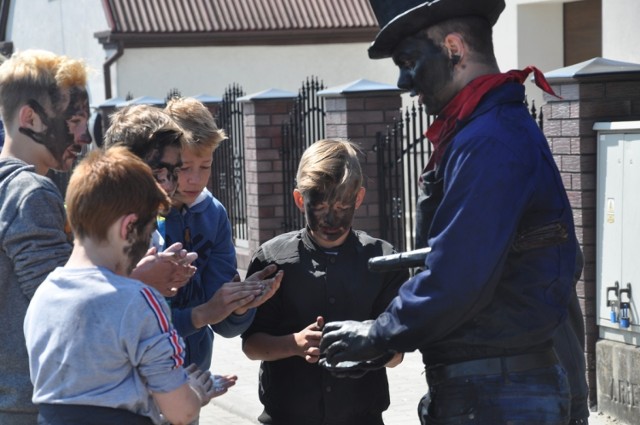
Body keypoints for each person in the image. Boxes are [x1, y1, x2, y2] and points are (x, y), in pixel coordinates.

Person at [320, 1, 580, 424]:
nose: (404, 81)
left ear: (454, 49)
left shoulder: (489, 140)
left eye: (408, 61)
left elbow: (456, 276)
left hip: (498, 396)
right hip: (490, 389)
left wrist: (377, 333)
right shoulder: (482, 132)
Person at [24, 147, 219, 425]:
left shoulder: (43, 295)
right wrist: (197, 393)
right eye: (150, 231)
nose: (151, 243)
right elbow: (181, 411)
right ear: (129, 228)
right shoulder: (138, 299)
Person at [241, 138, 408, 425]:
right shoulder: (273, 259)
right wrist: (294, 344)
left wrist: (371, 344)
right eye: (319, 207)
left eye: (343, 206)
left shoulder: (383, 260)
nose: (331, 218)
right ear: (299, 199)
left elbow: (397, 355)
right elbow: (251, 345)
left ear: (358, 198)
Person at [0, 49, 91, 424]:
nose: (85, 137)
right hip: (30, 399)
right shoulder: (31, 192)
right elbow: (58, 305)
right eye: (75, 120)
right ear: (30, 118)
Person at [163, 96, 282, 371]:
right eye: (184, 168)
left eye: (205, 166)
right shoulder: (140, 214)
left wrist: (239, 305)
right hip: (144, 373)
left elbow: (224, 325)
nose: (195, 178)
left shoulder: (214, 214)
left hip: (195, 373)